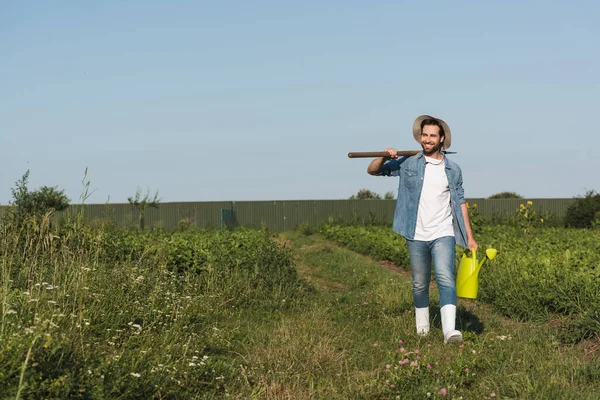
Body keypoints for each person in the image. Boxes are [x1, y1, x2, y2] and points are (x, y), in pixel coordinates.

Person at [367, 115, 478, 344]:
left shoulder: (453, 169)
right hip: (415, 232)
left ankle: (449, 331)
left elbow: (460, 202)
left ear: (441, 139)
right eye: (424, 135)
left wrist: (470, 236)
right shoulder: (408, 162)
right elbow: (373, 171)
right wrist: (383, 155)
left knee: (446, 278)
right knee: (419, 282)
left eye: (432, 136)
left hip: (443, 231)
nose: (427, 140)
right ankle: (422, 331)